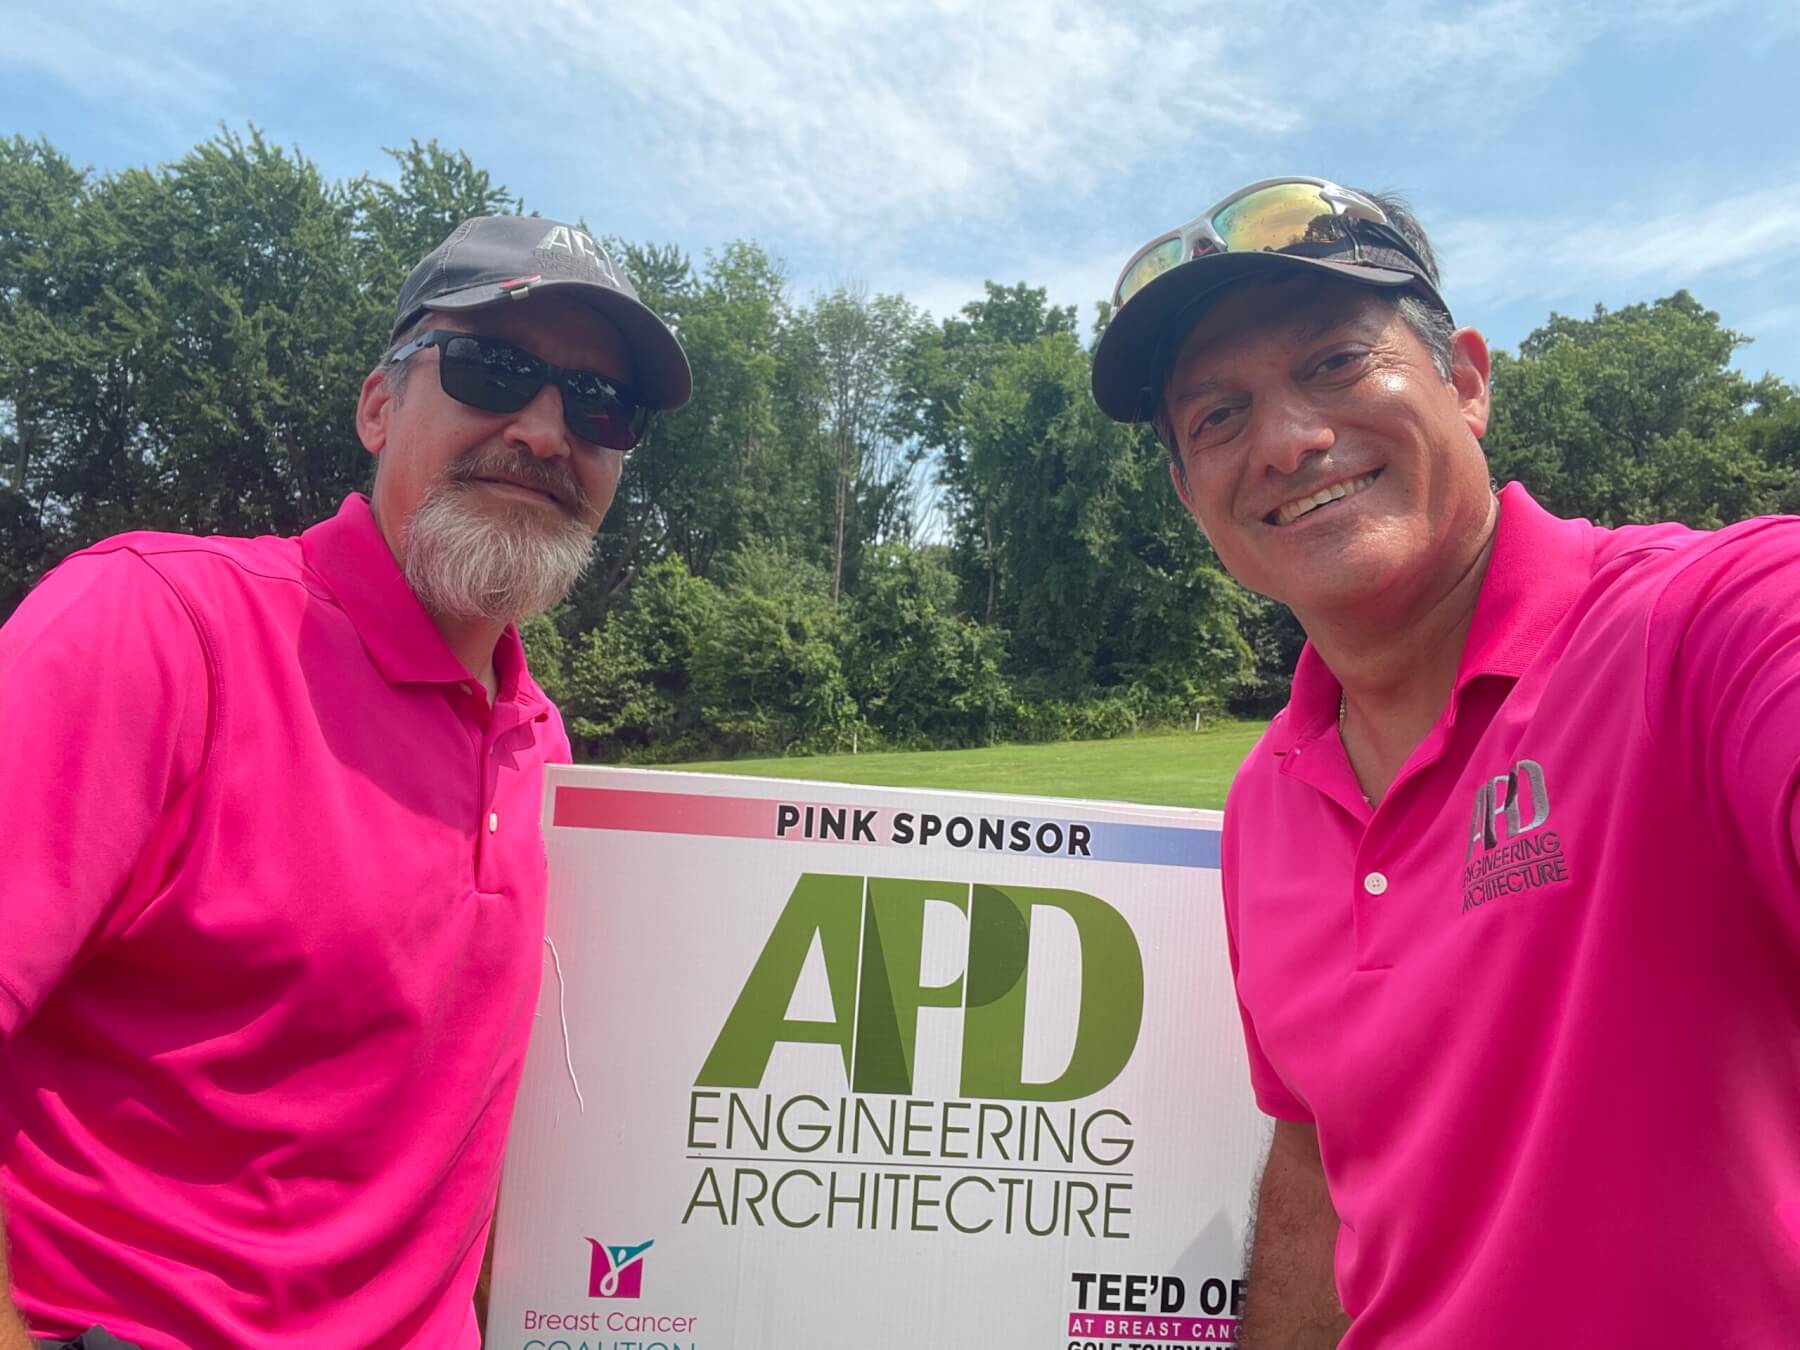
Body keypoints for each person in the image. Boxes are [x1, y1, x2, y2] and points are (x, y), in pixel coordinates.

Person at [1091, 177, 1800, 1347]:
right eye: (1216, 415)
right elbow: (1321, 1172)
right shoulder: (1268, 801)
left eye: (1333, 362)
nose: (1287, 441)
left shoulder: (1707, 621)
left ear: (1465, 380)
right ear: (1188, 493)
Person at [0, 214, 691, 1350]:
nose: (545, 430)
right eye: (494, 370)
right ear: (379, 405)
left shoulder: (543, 746)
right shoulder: (154, 626)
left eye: (600, 406)